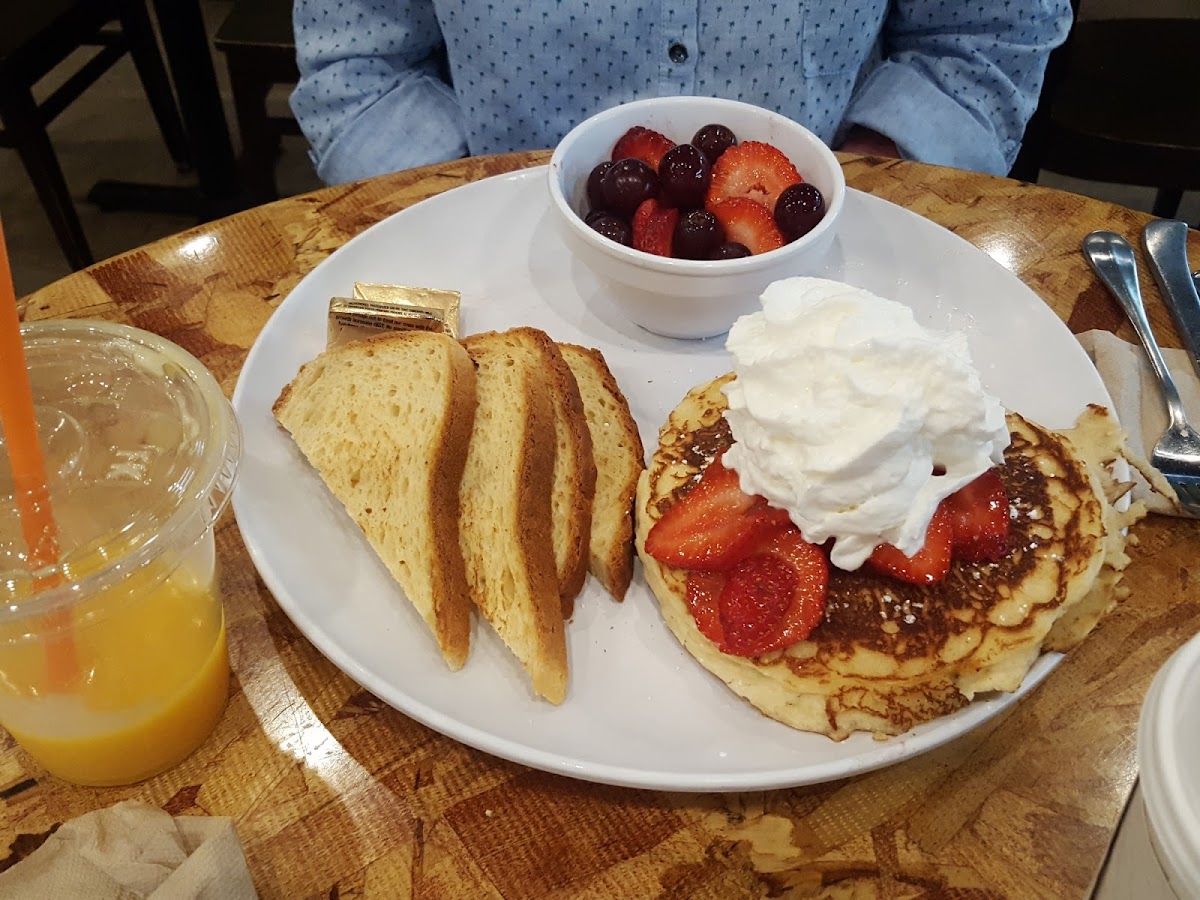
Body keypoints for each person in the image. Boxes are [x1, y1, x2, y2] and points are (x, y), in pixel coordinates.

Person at [290, 1, 1071, 186]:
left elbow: (985, 33)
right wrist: (460, 211)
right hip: (497, 257)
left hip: (831, 248)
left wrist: (866, 178)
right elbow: (359, 64)